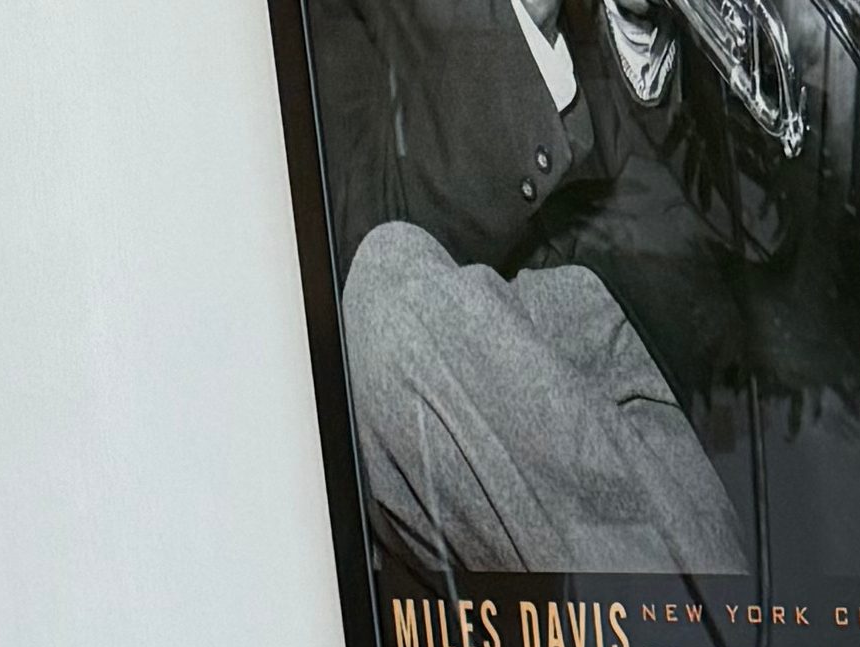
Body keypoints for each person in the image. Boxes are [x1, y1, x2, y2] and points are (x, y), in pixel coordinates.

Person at [314, 0, 750, 584]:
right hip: (489, 353)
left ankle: (690, 642)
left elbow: (765, 222)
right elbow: (362, 224)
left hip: (677, 332)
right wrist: (527, 25)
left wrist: (641, 30)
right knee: (381, 302)